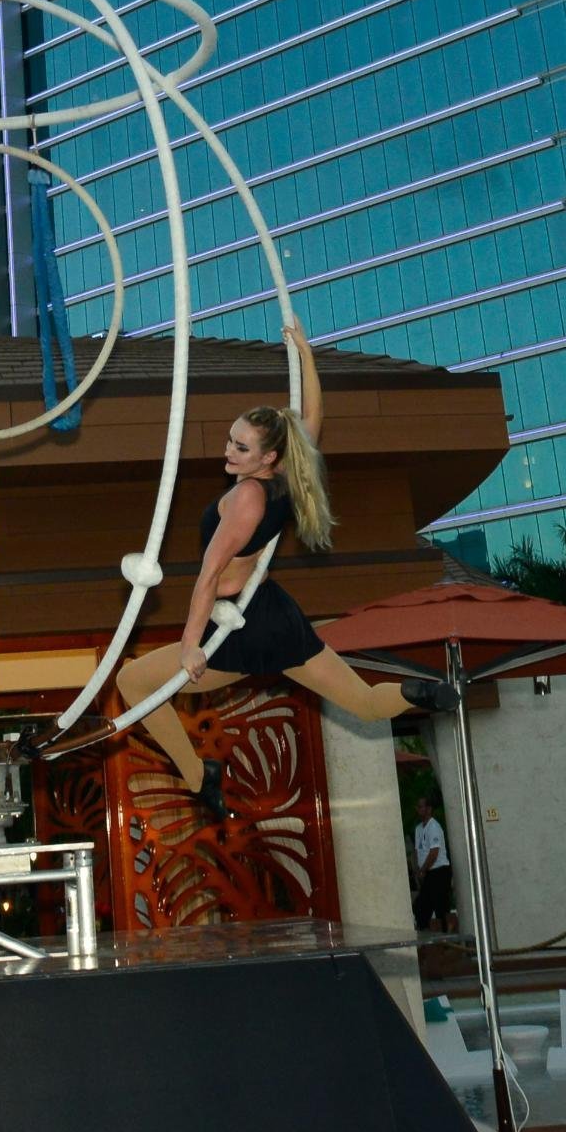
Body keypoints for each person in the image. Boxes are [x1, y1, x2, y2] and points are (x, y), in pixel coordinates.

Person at [112, 328, 411, 805]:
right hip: (276, 614)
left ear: (267, 456)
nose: (229, 451)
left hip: (237, 630)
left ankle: (196, 775)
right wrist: (307, 358)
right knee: (368, 704)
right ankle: (426, 693)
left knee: (132, 681)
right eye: (231, 441)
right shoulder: (286, 477)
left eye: (241, 448)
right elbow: (312, 420)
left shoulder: (247, 498)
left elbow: (209, 576)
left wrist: (191, 645)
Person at [408, 806, 456, 934]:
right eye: (418, 807)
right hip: (428, 871)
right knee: (421, 906)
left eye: (422, 807)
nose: (419, 809)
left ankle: (447, 935)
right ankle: (425, 933)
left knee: (440, 905)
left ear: (429, 809)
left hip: (439, 870)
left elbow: (434, 853)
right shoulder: (418, 829)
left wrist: (423, 869)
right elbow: (418, 851)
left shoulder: (434, 826)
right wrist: (418, 869)